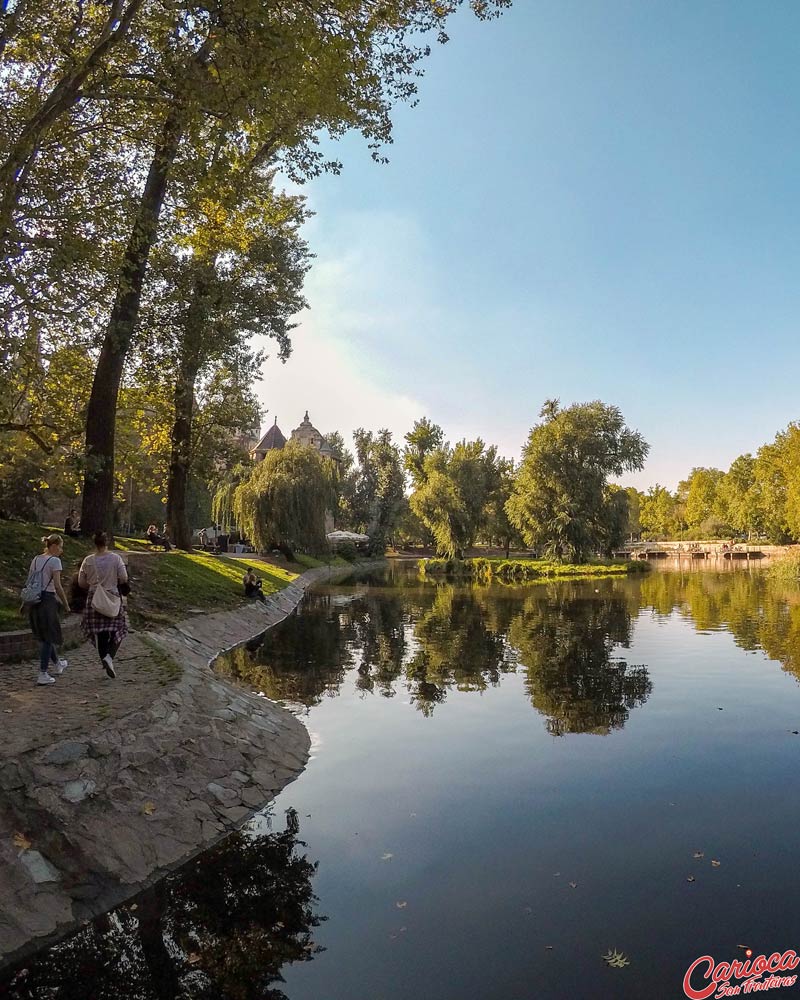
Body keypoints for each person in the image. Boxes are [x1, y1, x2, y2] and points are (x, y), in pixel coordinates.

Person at [78, 531, 129, 679]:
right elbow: (124, 577)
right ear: (106, 543)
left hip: (94, 599)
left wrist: (93, 586)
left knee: (100, 633)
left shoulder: (88, 560)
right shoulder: (115, 558)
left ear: (95, 543)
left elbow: (81, 582)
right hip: (112, 597)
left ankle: (104, 658)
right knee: (119, 628)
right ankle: (109, 657)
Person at [27, 534, 70, 686]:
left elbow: (30, 582)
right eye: (61, 546)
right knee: (48, 637)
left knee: (45, 634)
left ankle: (58, 663)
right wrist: (65, 604)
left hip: (35, 600)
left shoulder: (36, 559)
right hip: (47, 600)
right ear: (54, 546)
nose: (61, 550)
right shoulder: (55, 561)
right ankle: (43, 673)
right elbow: (57, 586)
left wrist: (24, 603)